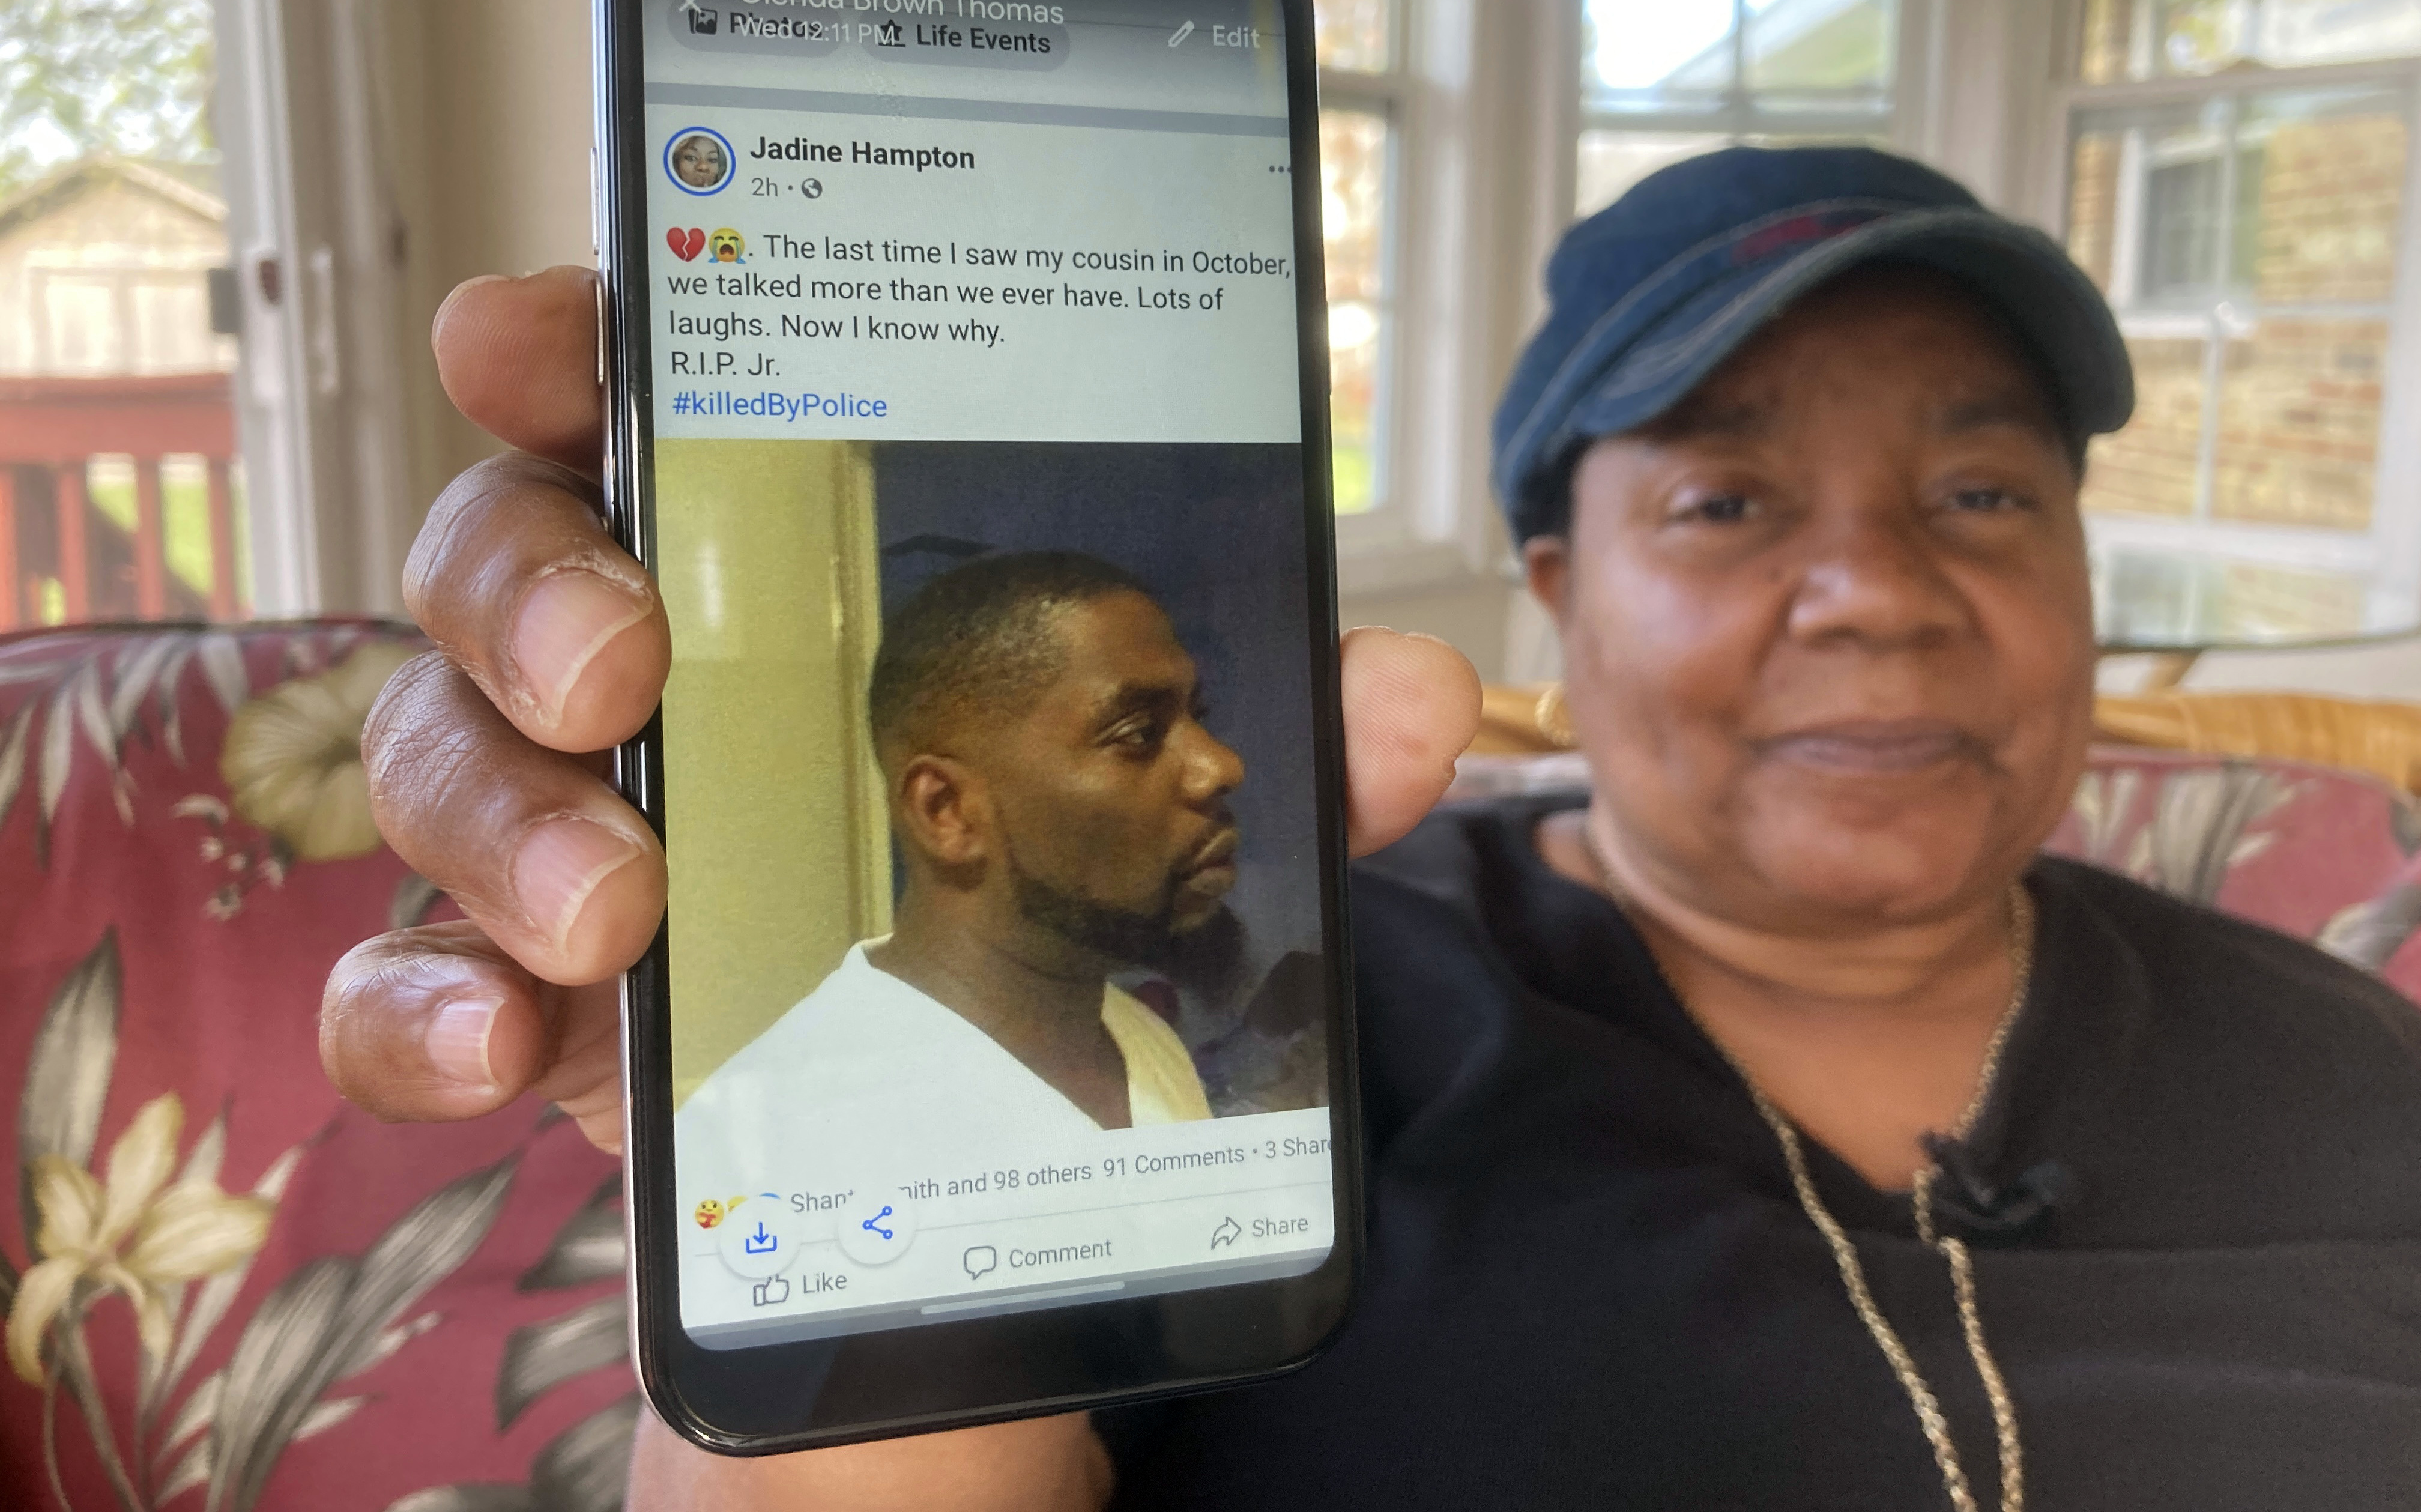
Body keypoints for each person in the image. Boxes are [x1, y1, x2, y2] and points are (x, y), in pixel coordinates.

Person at [327, 147, 2421, 1510]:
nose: (1876, 587)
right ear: (1553, 594)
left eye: (1980, 495)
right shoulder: (1265, 1010)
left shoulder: (2360, 1067)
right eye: (1727, 500)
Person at [678, 551, 1241, 1197]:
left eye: (1201, 716)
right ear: (946, 811)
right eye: (1139, 732)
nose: (1221, 765)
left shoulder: (1145, 1044)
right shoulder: (756, 1154)